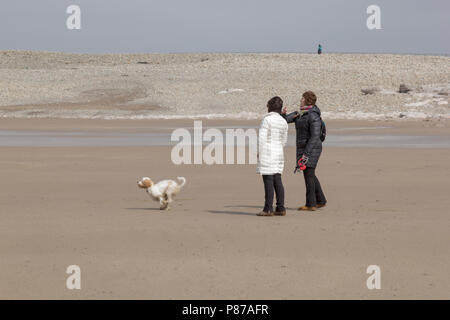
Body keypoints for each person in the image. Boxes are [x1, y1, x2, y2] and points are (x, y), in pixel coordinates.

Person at [282, 91, 326, 211]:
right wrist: (282, 115)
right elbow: (285, 120)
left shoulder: (313, 115)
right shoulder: (301, 114)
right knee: (310, 174)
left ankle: (311, 204)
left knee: (308, 174)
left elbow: (315, 136)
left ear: (307, 101)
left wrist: (306, 153)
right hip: (304, 147)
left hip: (312, 148)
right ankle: (321, 200)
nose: (300, 100)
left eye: (302, 98)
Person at [256, 96, 289, 216]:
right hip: (278, 152)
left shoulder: (267, 120)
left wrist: (259, 152)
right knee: (277, 179)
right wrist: (278, 147)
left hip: (267, 152)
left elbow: (261, 138)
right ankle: (280, 207)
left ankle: (268, 208)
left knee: (268, 180)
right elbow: (284, 140)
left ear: (269, 107)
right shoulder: (283, 121)